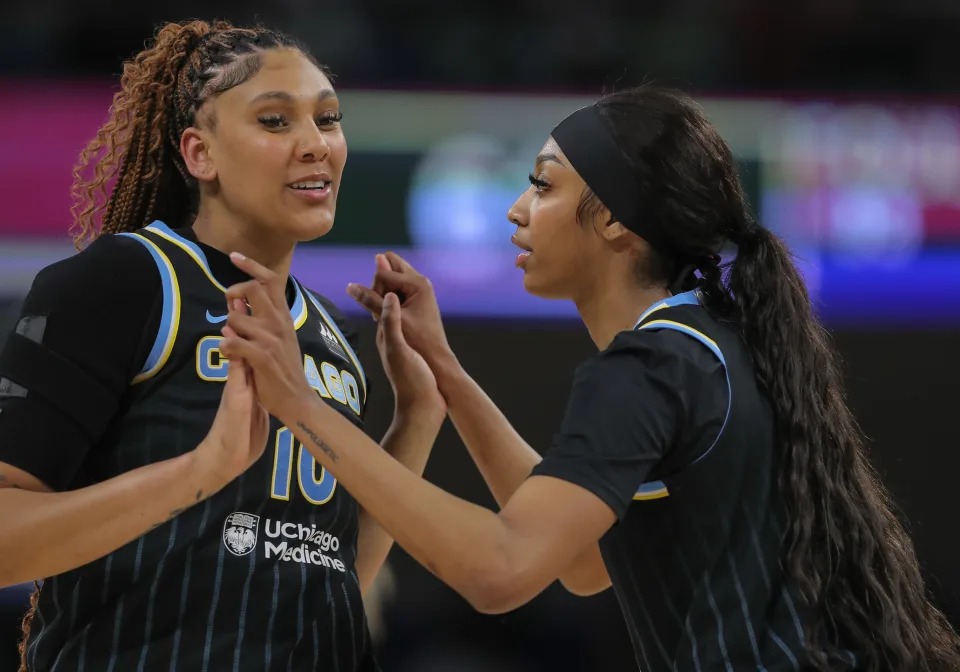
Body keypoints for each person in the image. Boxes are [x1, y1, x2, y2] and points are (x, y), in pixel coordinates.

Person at [219, 86, 960, 671]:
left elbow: (501, 571)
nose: (516, 210)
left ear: (612, 221)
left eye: (542, 187)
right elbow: (578, 564)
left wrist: (299, 405)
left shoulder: (651, 365)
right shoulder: (708, 346)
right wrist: (446, 376)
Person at [0, 19, 444, 672]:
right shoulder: (125, 282)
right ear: (199, 154)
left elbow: (327, 573)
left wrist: (418, 417)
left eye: (328, 119)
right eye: (275, 121)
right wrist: (203, 471)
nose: (316, 144)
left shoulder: (335, 343)